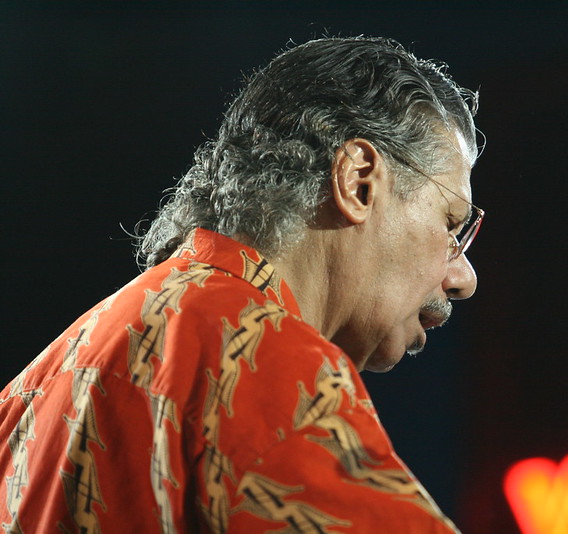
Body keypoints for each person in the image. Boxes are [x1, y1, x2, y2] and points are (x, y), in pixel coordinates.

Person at [0, 36, 483, 533]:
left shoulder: (33, 388)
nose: (463, 279)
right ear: (358, 181)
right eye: (452, 224)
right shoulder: (261, 356)